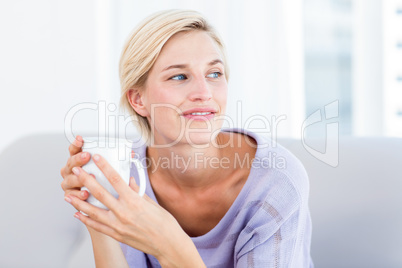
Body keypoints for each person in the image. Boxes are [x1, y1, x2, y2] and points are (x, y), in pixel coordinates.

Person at [60, 9, 313, 267]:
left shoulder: (275, 182)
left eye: (214, 73)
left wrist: (172, 245)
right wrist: (99, 216)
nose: (204, 93)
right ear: (138, 100)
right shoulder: (126, 175)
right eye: (179, 76)